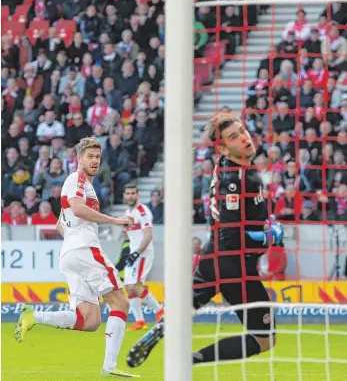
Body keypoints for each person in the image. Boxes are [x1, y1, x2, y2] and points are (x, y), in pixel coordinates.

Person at [126, 112, 284, 367]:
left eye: (243, 130)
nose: (244, 138)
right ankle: (187, 362)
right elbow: (232, 236)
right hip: (235, 266)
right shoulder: (234, 179)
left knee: (186, 309)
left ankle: (162, 328)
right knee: (265, 339)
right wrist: (266, 237)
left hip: (213, 257)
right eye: (234, 137)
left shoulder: (237, 168)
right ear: (222, 148)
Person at [14, 137, 138, 378]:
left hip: (71, 252)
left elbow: (62, 224)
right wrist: (115, 220)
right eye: (89, 156)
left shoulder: (82, 184)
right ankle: (109, 368)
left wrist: (73, 240)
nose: (94, 161)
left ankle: (34, 316)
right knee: (121, 303)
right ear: (79, 159)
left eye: (97, 157)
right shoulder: (76, 179)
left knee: (90, 321)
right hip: (84, 249)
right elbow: (79, 209)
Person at [122, 184, 164, 331]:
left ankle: (160, 311)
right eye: (128, 193)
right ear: (124, 196)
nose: (130, 196)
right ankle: (140, 321)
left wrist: (137, 252)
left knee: (135, 286)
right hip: (134, 252)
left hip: (143, 252)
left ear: (137, 195)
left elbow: (148, 236)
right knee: (129, 287)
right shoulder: (128, 212)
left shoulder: (143, 211)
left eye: (133, 193)